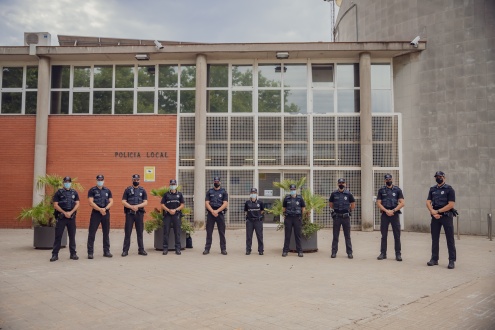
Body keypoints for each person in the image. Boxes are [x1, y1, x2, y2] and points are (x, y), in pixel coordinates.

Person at [426, 171, 457, 269]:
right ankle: (434, 259)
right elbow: (428, 202)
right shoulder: (432, 189)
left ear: (444, 177)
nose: (438, 178)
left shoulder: (449, 189)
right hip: (435, 217)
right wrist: (432, 211)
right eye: (436, 177)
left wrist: (438, 211)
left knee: (450, 239)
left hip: (446, 217)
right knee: (434, 239)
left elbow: (451, 204)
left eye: (440, 176)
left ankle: (451, 260)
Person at [50, 176, 80, 262]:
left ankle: (73, 254)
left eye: (69, 182)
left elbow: (77, 203)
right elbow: (55, 205)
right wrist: (64, 212)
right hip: (61, 217)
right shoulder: (59, 192)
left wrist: (70, 213)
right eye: (66, 182)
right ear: (63, 183)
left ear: (71, 183)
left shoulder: (74, 192)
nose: (67, 183)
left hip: (71, 217)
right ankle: (55, 255)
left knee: (72, 236)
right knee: (58, 236)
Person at [376, 174, 405, 261]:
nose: (388, 180)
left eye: (390, 179)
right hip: (385, 214)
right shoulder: (381, 190)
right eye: (387, 179)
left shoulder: (397, 190)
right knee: (384, 235)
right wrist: (386, 211)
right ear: (385, 181)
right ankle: (383, 253)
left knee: (397, 235)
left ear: (392, 179)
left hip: (394, 214)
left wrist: (393, 210)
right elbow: (378, 203)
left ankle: (398, 254)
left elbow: (402, 203)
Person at [87, 174, 113, 259]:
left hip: (106, 213)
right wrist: (100, 209)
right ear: (96, 180)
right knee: (92, 233)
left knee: (106, 233)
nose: (100, 181)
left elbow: (111, 201)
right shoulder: (92, 190)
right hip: (96, 213)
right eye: (99, 180)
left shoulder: (107, 190)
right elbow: (91, 202)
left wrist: (105, 209)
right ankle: (90, 252)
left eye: (101, 180)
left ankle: (106, 251)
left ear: (104, 180)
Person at [121, 174, 148, 257]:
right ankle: (125, 250)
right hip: (130, 214)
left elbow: (145, 202)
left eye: (137, 180)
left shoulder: (142, 190)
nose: (136, 181)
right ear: (132, 180)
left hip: (139, 214)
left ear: (139, 180)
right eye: (134, 180)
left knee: (140, 232)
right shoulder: (127, 190)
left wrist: (137, 206)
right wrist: (131, 207)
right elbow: (123, 201)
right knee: (128, 232)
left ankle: (141, 249)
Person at [329, 178, 355, 259]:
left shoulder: (349, 194)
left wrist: (348, 210)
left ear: (345, 184)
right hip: (337, 217)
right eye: (340, 183)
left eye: (343, 183)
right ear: (338, 184)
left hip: (345, 217)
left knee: (347, 236)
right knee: (335, 236)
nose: (341, 184)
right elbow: (331, 204)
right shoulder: (334, 194)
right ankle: (334, 252)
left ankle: (349, 253)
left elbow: (353, 204)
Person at [203, 177, 229, 255]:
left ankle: (223, 249)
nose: (216, 182)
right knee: (209, 232)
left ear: (220, 182)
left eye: (217, 181)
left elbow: (225, 204)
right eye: (215, 181)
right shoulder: (209, 192)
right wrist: (212, 211)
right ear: (213, 182)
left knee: (222, 232)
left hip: (220, 213)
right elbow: (207, 203)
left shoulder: (224, 192)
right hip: (211, 213)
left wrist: (217, 211)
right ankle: (207, 249)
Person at [160, 179, 185, 255]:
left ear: (176, 185)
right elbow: (162, 204)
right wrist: (168, 210)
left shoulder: (179, 194)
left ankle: (177, 249)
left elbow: (182, 205)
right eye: (171, 184)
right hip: (167, 215)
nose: (172, 186)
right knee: (166, 232)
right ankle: (165, 248)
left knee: (177, 232)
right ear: (169, 185)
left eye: (174, 184)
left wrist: (175, 210)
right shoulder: (166, 194)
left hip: (176, 215)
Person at [282, 184, 306, 257]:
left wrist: (301, 216)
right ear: (290, 190)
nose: (293, 191)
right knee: (287, 235)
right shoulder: (286, 198)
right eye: (291, 189)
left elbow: (303, 208)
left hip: (297, 218)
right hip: (288, 218)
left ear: (296, 189)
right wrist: (284, 215)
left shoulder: (300, 198)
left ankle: (300, 251)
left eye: (294, 189)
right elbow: (284, 208)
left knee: (297, 235)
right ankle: (285, 251)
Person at [244, 188, 264, 255]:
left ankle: (261, 250)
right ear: (250, 193)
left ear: (256, 194)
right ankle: (248, 250)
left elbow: (262, 211)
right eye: (252, 193)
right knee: (249, 236)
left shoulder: (260, 203)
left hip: (258, 221)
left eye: (254, 193)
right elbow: (246, 211)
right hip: (250, 221)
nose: (253, 194)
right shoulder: (247, 203)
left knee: (259, 236)